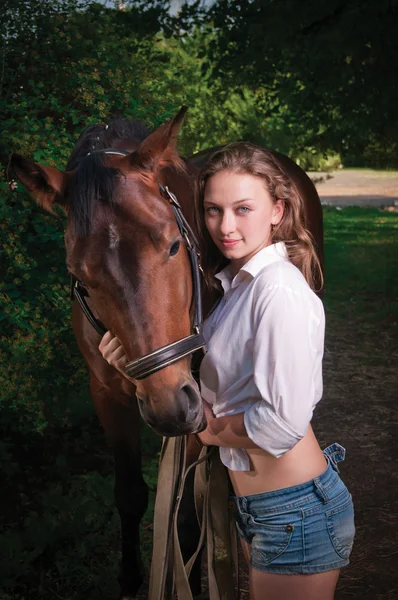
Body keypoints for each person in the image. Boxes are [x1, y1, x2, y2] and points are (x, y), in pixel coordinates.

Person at [99, 142, 355, 600]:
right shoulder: (235, 287)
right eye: (213, 210)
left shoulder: (279, 292)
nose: (226, 226)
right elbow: (217, 388)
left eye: (243, 208)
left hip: (295, 508)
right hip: (261, 504)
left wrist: (208, 433)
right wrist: (137, 370)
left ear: (277, 211)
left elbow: (282, 424)